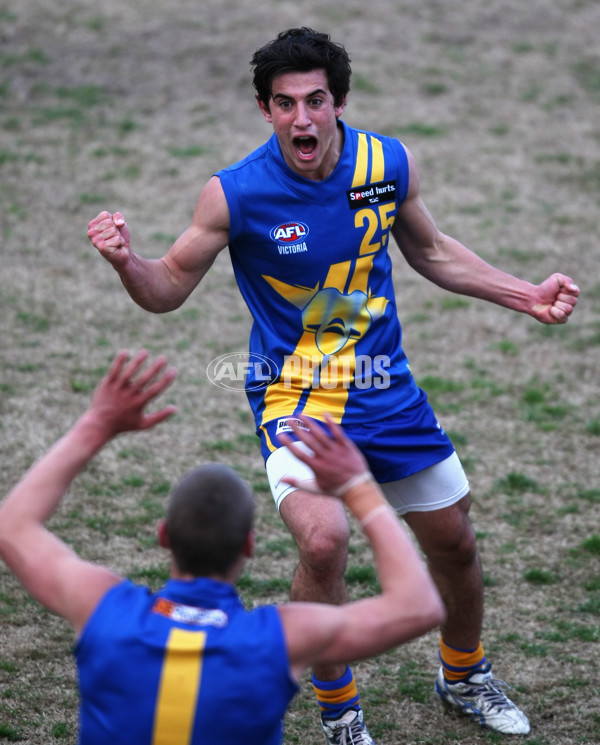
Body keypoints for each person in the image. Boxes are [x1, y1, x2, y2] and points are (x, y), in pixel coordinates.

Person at [87, 27, 580, 742]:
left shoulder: (386, 162)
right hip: (297, 396)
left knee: (456, 542)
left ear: (339, 101)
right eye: (284, 104)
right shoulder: (235, 193)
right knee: (323, 542)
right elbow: (165, 289)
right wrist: (127, 261)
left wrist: (524, 293)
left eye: (315, 100)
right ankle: (340, 709)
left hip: (386, 389)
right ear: (265, 110)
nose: (302, 120)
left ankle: (465, 671)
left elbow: (431, 250)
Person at [0, 349, 444, 745]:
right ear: (249, 546)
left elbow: (12, 527)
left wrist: (96, 424)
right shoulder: (280, 640)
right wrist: (359, 488)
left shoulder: (104, 609)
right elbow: (419, 606)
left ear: (163, 536)